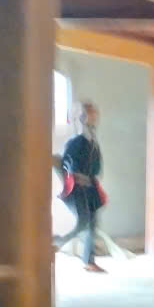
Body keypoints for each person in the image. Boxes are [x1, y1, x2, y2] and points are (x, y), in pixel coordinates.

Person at [54, 100, 108, 273]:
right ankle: (57, 242)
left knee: (92, 223)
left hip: (90, 187)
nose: (93, 118)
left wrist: (91, 178)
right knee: (83, 221)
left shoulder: (92, 142)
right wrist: (78, 177)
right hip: (77, 188)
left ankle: (89, 261)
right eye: (90, 114)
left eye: (94, 114)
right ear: (82, 117)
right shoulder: (76, 141)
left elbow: (97, 167)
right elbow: (69, 164)